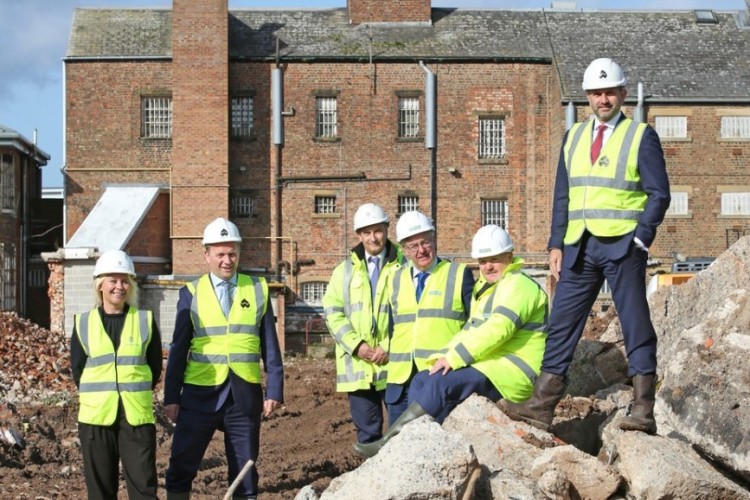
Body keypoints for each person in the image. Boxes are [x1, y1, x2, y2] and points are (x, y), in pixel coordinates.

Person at [502, 58, 670, 435]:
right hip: (579, 246)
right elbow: (563, 196)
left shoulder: (640, 136)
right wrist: (555, 244)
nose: (603, 99)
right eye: (596, 93)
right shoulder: (574, 137)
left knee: (634, 321)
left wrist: (641, 239)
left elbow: (659, 194)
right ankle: (541, 405)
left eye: (610, 92)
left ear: (623, 94)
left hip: (622, 246)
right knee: (560, 323)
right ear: (587, 98)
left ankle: (643, 409)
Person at [355, 225, 549, 457]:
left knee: (440, 385)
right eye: (483, 260)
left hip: (512, 372)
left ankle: (391, 443)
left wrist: (455, 358)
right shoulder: (487, 289)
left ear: (510, 255)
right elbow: (470, 330)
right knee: (422, 379)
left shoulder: (519, 285)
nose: (487, 266)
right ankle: (420, 446)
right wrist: (445, 356)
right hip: (492, 366)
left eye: (495, 259)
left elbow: (499, 329)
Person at [164, 217, 284, 500]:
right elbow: (178, 349)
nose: (227, 260)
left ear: (239, 253)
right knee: (181, 466)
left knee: (245, 473)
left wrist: (275, 388)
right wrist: (171, 396)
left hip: (243, 396)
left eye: (232, 253)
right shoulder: (190, 293)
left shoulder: (257, 289)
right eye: (220, 254)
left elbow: (270, 345)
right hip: (199, 395)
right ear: (207, 255)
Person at [70, 250, 162, 500]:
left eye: (124, 281)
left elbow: (154, 367)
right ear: (100, 284)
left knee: (144, 488)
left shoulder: (144, 320)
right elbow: (77, 369)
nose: (119, 287)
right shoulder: (83, 323)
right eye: (113, 280)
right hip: (96, 418)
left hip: (136, 417)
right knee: (100, 492)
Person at [370, 210, 474, 429]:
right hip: (400, 381)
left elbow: (474, 325)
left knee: (437, 443)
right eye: (413, 246)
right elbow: (392, 326)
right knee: (397, 446)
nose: (421, 250)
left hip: (438, 378)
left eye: (425, 242)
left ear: (433, 240)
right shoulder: (395, 279)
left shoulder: (458, 274)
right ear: (404, 250)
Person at [322, 203, 405, 444]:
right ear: (359, 235)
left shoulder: (404, 267)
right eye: (367, 232)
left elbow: (410, 315)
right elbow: (332, 312)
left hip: (394, 365)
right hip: (359, 367)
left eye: (377, 230)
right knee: (368, 437)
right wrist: (357, 345)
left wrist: (388, 346)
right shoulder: (343, 272)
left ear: (387, 229)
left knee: (402, 433)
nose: (373, 237)